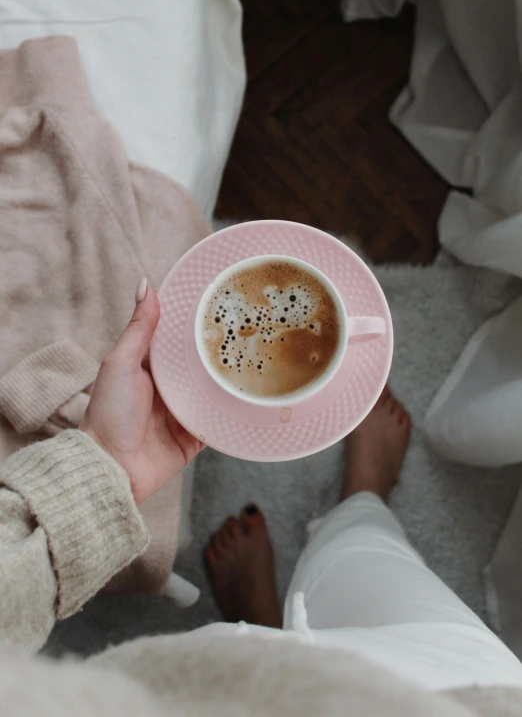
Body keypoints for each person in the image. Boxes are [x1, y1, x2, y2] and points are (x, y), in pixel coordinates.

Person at [0, 279, 522, 717]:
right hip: (451, 687)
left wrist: (106, 462)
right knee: (367, 556)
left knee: (290, 621)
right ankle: (363, 498)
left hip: (210, 690)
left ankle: (264, 623)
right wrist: (107, 464)